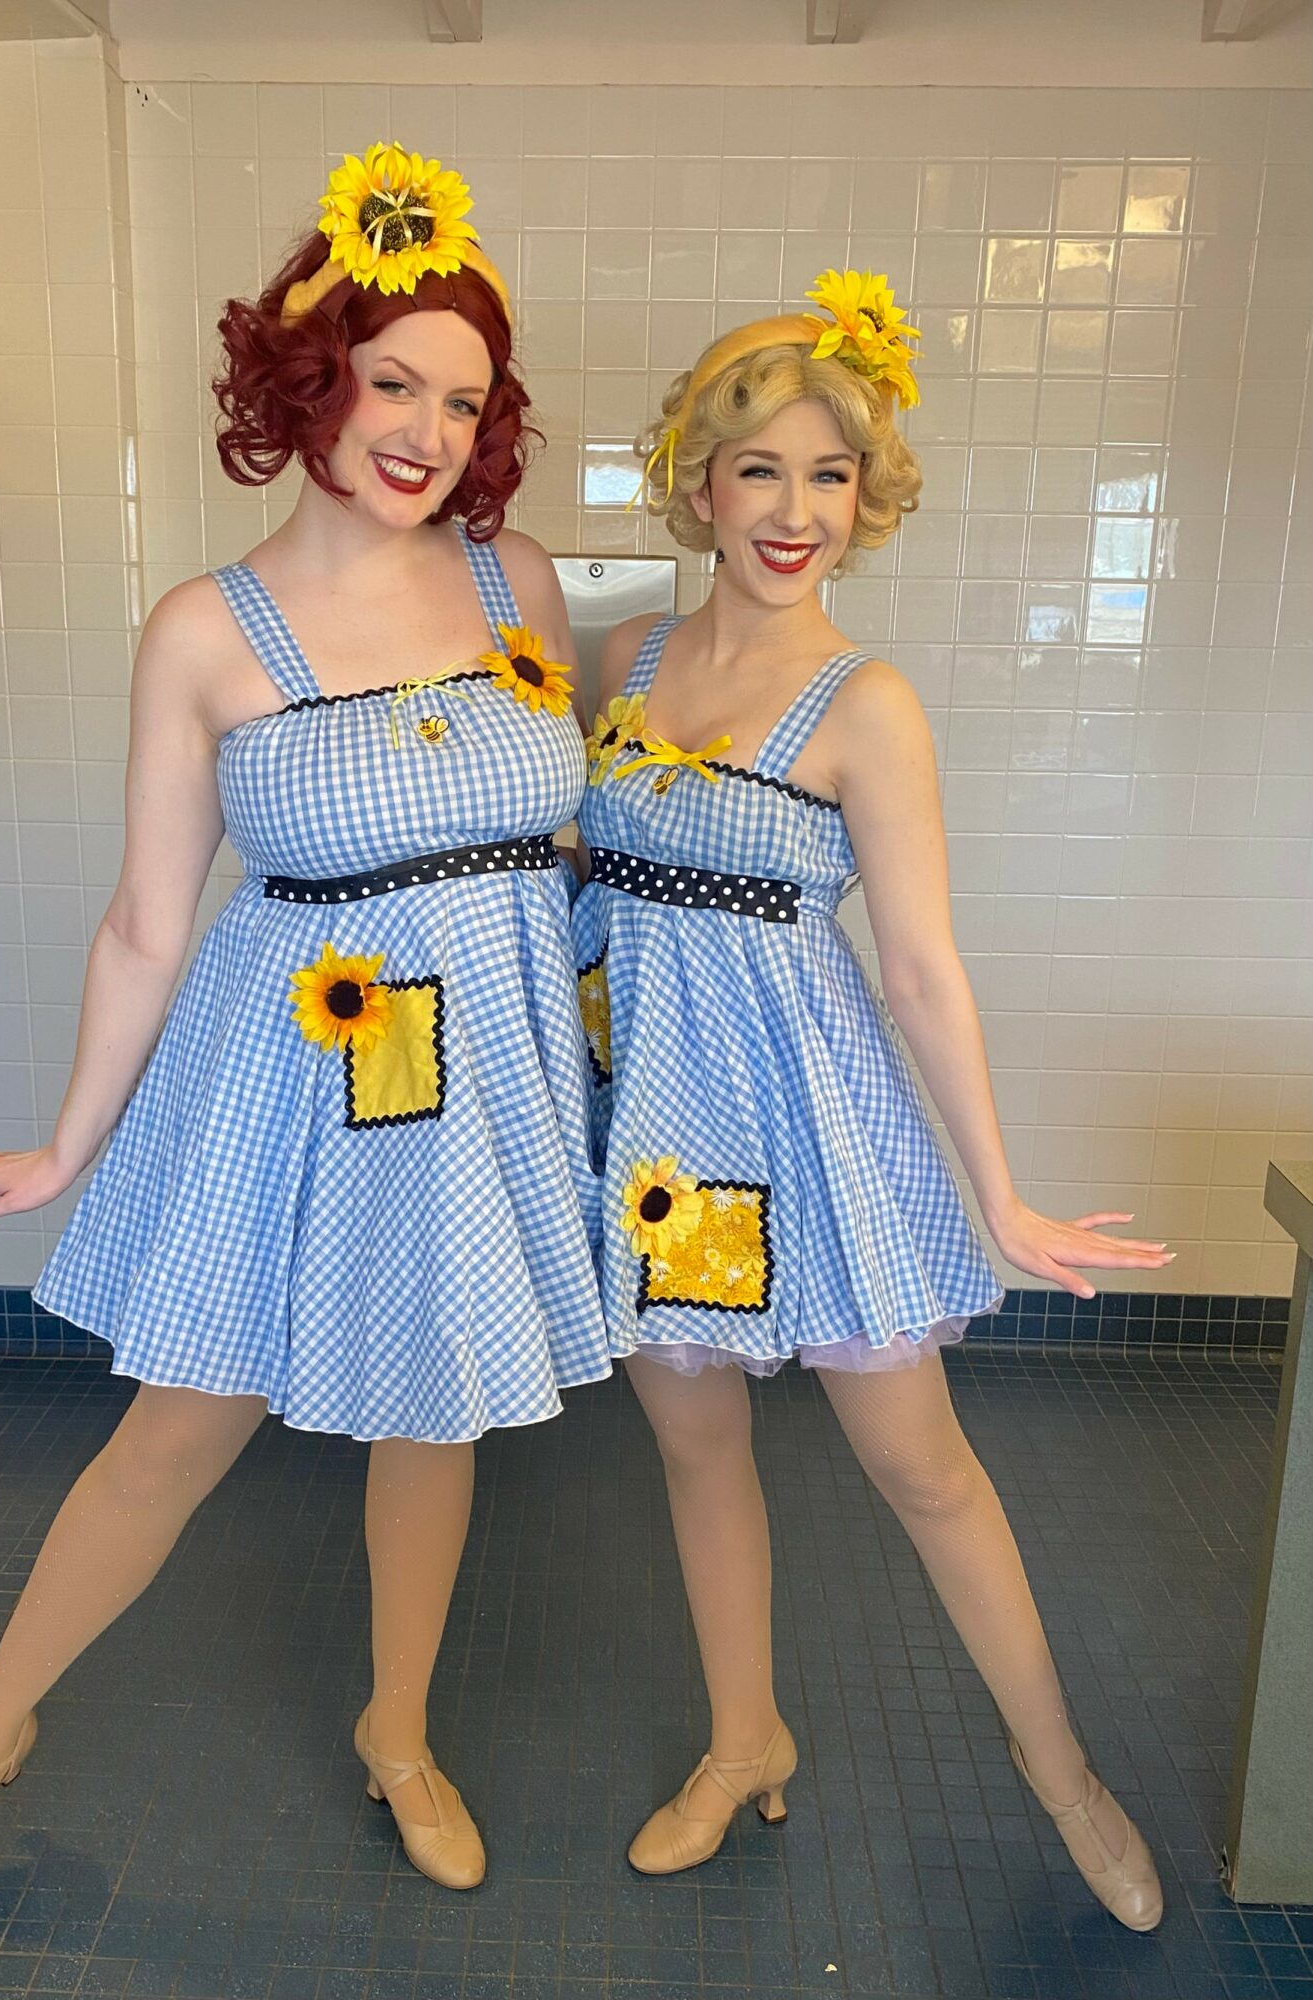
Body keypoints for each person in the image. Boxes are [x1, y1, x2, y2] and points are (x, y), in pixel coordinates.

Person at [0, 141, 612, 1912]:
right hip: (289, 1066)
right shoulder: (210, 631)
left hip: (483, 1074)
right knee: (173, 1434)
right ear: (311, 376)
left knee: (431, 1421)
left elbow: (572, 834)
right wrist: (70, 1137)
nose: (427, 428)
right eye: (391, 380)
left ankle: (396, 1729)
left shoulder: (518, 580)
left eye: (461, 395)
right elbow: (149, 918)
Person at [572, 270, 1172, 1929]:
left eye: (828, 476)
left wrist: (1001, 1192)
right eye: (760, 469)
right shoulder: (620, 657)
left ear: (866, 497)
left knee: (925, 1467)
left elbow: (919, 971)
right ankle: (740, 1739)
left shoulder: (868, 706)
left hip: (811, 1125)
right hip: (659, 1134)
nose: (793, 511)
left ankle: (1065, 1779)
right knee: (696, 1449)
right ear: (700, 481)